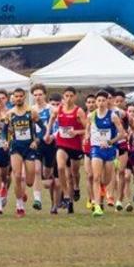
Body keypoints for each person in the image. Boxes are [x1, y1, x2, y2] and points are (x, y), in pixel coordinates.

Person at [46, 86, 87, 214]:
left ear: (75, 97)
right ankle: (66, 194)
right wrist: (48, 133)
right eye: (66, 96)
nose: (68, 98)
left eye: (71, 96)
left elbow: (87, 129)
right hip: (62, 144)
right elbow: (51, 120)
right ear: (63, 97)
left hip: (75, 146)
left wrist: (76, 132)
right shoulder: (59, 109)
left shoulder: (79, 111)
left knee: (73, 174)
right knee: (60, 168)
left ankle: (76, 187)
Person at [86, 91, 126, 217]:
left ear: (107, 102)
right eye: (99, 100)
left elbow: (122, 134)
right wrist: (87, 137)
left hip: (109, 150)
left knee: (106, 179)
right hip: (96, 149)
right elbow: (87, 130)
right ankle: (97, 206)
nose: (101, 103)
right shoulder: (91, 116)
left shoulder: (113, 116)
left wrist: (110, 141)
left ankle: (103, 188)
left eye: (103, 100)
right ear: (96, 102)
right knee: (96, 177)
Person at [7, 88, 41, 217]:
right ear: (13, 98)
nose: (18, 98)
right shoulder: (10, 114)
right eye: (16, 96)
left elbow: (42, 129)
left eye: (21, 96)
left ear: (24, 97)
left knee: (29, 181)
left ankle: (23, 191)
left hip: (29, 147)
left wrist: (36, 141)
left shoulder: (31, 112)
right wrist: (6, 139)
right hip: (16, 147)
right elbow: (5, 131)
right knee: (16, 176)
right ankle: (19, 206)